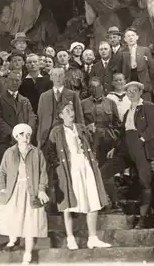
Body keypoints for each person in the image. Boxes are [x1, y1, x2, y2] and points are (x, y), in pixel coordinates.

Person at [48, 101, 112, 250]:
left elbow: (92, 144)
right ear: (61, 115)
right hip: (68, 169)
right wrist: (58, 167)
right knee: (68, 203)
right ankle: (70, 238)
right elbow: (50, 152)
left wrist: (93, 158)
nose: (71, 113)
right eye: (67, 111)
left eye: (72, 110)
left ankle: (93, 238)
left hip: (86, 166)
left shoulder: (82, 128)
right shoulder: (56, 132)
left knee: (93, 198)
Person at [107, 81, 154, 229]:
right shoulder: (127, 111)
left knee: (145, 181)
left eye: (134, 91)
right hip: (126, 148)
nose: (131, 94)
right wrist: (115, 148)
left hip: (141, 147)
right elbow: (123, 133)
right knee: (104, 172)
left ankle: (143, 217)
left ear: (140, 92)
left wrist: (142, 139)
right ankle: (115, 205)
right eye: (128, 92)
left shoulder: (148, 107)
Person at [0, 123, 49, 265]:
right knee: (14, 215)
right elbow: (1, 172)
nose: (25, 138)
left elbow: (43, 173)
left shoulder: (37, 152)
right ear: (16, 136)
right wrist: (3, 188)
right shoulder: (9, 152)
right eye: (22, 135)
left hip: (31, 191)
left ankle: (28, 253)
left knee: (31, 222)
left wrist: (42, 189)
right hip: (14, 191)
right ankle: (13, 239)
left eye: (28, 135)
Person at [37, 67, 84, 212]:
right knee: (50, 171)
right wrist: (39, 141)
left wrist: (79, 138)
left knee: (68, 170)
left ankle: (72, 205)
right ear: (50, 77)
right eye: (55, 75)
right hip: (48, 138)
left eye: (61, 75)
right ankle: (51, 205)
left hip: (67, 137)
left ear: (65, 77)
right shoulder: (44, 96)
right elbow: (40, 119)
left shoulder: (72, 95)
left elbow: (80, 118)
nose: (58, 78)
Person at [0, 71, 36, 169]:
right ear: (6, 81)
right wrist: (13, 134)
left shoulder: (25, 100)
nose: (15, 83)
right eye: (12, 80)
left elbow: (32, 117)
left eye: (17, 80)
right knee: (5, 172)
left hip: (23, 141)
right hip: (5, 141)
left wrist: (26, 134)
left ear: (20, 82)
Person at [81, 77, 121, 166]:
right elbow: (79, 123)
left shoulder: (110, 103)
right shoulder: (83, 103)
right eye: (92, 87)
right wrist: (87, 128)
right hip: (91, 139)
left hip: (108, 138)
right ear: (89, 89)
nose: (95, 90)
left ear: (102, 87)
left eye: (97, 87)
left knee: (108, 167)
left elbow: (117, 124)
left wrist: (116, 142)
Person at [119, 27, 154, 102]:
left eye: (132, 35)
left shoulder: (145, 50)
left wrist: (148, 81)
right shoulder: (122, 53)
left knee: (146, 106)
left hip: (144, 85)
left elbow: (152, 69)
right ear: (125, 39)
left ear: (137, 37)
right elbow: (120, 70)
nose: (131, 38)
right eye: (128, 36)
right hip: (129, 84)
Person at [18, 54, 53, 122]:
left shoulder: (48, 80)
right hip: (27, 116)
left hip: (45, 116)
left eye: (35, 61)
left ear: (39, 63)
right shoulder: (22, 81)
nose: (32, 64)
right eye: (30, 62)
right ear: (26, 65)